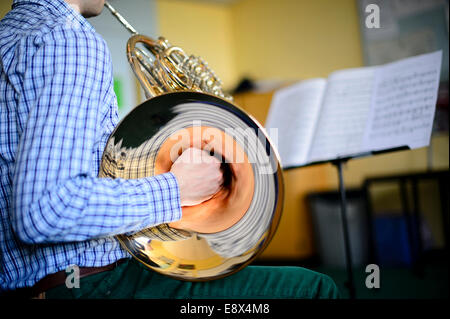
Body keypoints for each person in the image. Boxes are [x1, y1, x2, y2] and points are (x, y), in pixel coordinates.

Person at [0, 0, 339, 299]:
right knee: (313, 288)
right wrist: (178, 188)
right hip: (92, 285)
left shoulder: (9, 38)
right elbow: (44, 211)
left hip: (39, 285)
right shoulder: (68, 40)